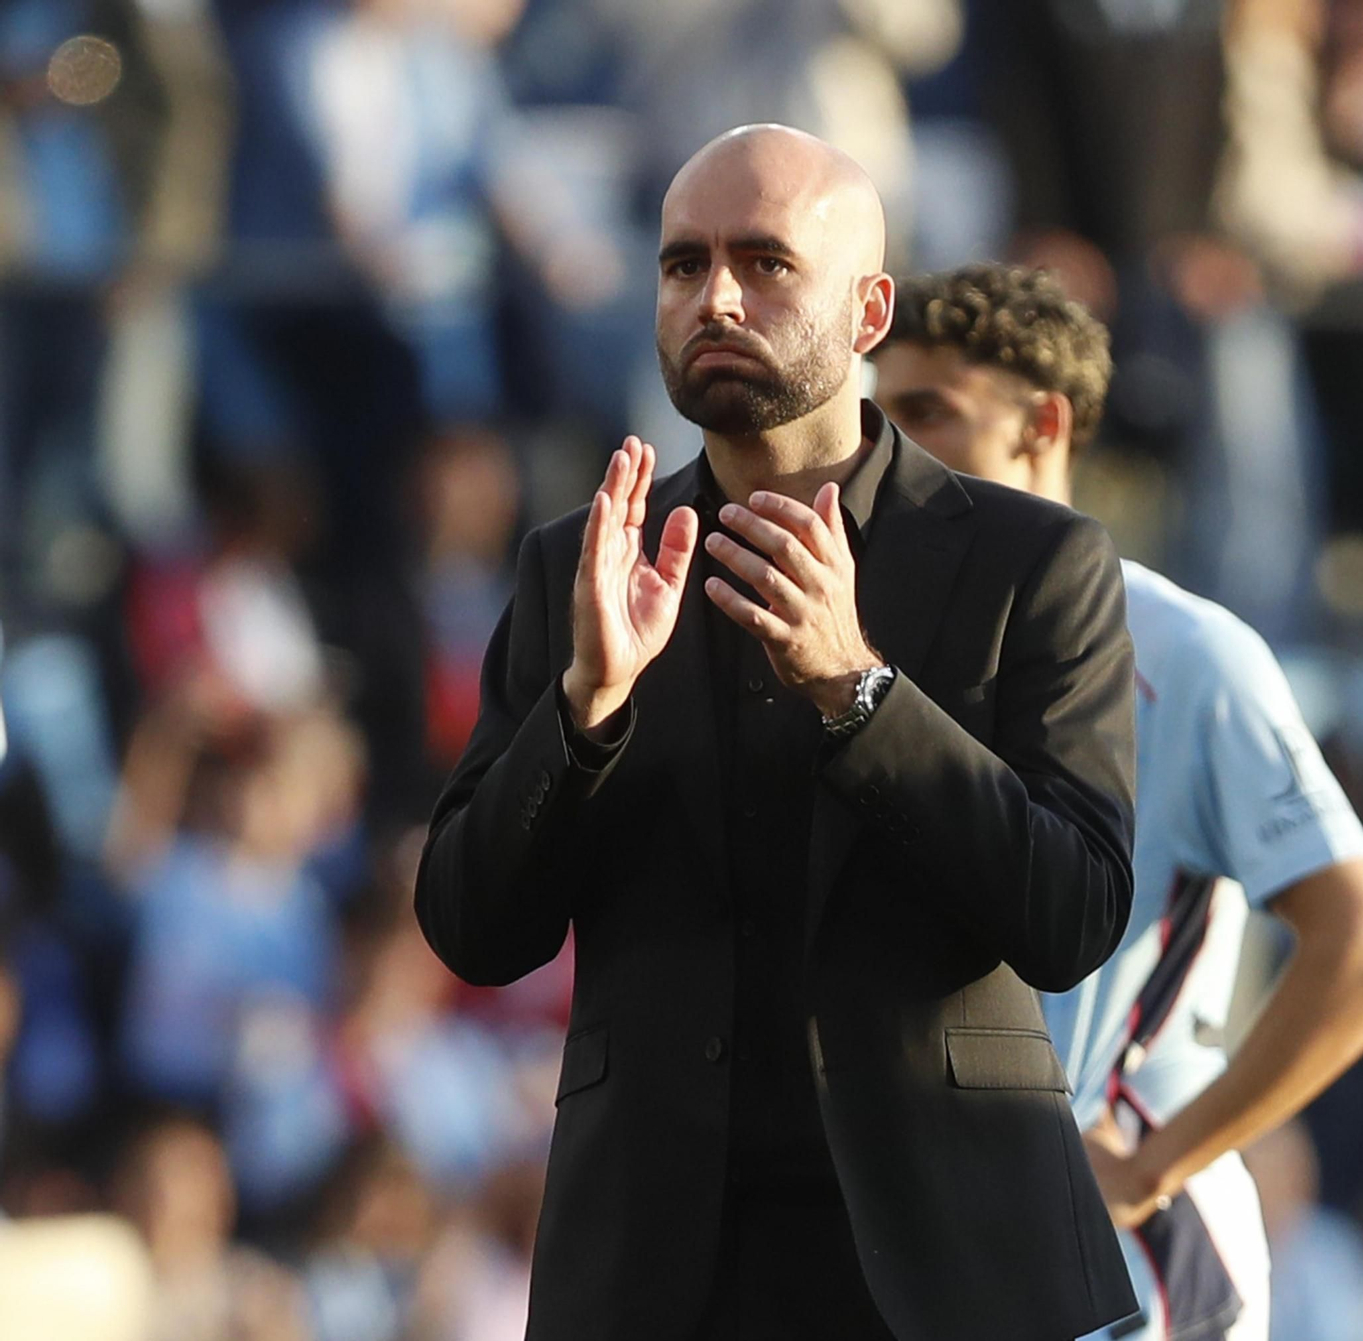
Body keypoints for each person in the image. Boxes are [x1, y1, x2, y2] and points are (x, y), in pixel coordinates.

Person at [414, 126, 1141, 1341]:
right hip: (653, 1271)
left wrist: (859, 690)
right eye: (681, 265)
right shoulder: (580, 564)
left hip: (952, 1269)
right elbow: (474, 931)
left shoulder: (1033, 562)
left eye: (764, 264)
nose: (715, 298)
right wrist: (583, 714)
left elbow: (1070, 914)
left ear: (868, 313)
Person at [872, 262, 1363, 1341]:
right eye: (878, 422)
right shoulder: (865, 660)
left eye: (927, 414)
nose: (893, 458)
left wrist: (1158, 1162)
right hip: (936, 1248)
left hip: (1126, 1261)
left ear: (1044, 425)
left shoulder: (1185, 653)